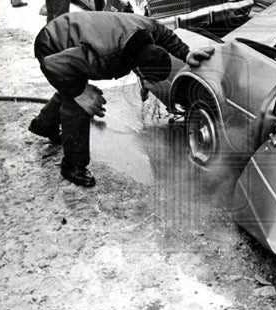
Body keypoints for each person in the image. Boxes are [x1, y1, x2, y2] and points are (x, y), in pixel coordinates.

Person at [29, 12, 214, 187]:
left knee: (72, 85)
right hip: (51, 45)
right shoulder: (103, 57)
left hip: (72, 34)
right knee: (78, 104)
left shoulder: (148, 30)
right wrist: (80, 92)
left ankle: (44, 125)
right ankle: (73, 166)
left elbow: (164, 34)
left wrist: (185, 53)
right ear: (138, 69)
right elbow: (52, 65)